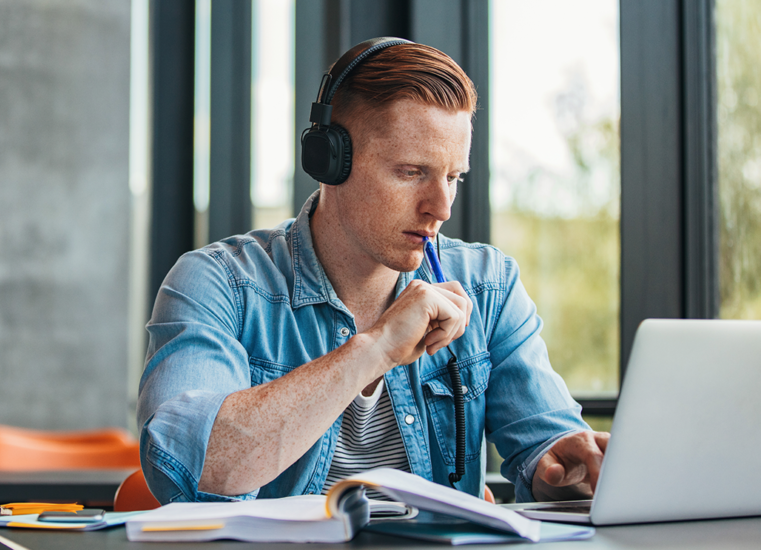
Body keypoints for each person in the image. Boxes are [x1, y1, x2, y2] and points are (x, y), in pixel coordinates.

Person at [136, 38, 609, 506]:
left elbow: (546, 450)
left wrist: (565, 466)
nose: (441, 207)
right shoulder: (219, 284)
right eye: (411, 172)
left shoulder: (489, 285)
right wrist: (377, 347)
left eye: (453, 177)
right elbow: (194, 467)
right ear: (329, 162)